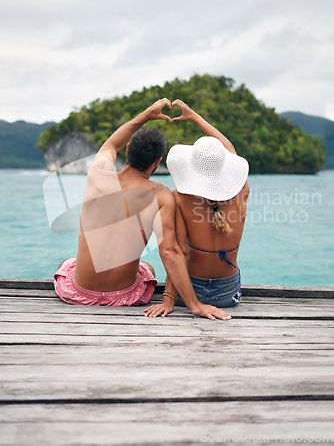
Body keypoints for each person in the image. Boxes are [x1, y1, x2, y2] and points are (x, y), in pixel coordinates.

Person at [54, 98, 230, 320]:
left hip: (78, 293)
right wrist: (194, 305)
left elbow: (110, 144)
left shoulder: (97, 175)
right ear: (157, 162)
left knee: (66, 264)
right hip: (125, 297)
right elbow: (170, 251)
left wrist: (147, 113)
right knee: (147, 268)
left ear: (128, 150)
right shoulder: (161, 195)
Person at [144, 99, 249, 318]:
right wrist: (195, 117)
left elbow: (178, 252)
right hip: (228, 293)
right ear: (225, 166)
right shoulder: (242, 190)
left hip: (189, 292)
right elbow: (230, 150)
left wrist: (169, 299)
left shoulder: (178, 198)